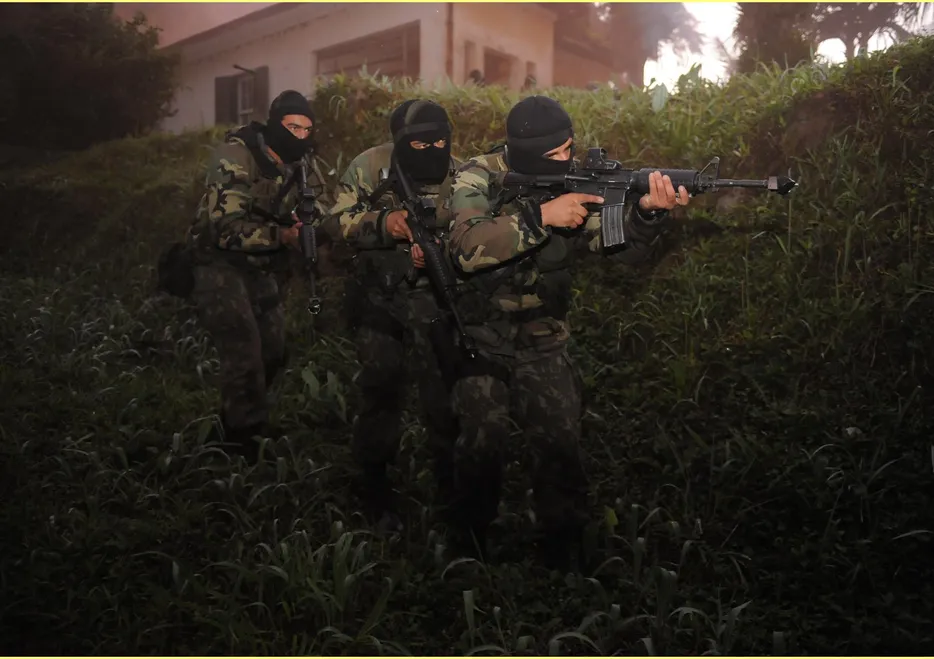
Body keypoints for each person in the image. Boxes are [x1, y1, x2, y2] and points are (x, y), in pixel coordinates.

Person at [446, 95, 691, 569]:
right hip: (482, 337)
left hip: (543, 336)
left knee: (559, 442)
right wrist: (541, 217)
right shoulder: (476, 176)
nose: (567, 159)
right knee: (482, 442)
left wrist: (645, 215)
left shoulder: (576, 176)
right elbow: (466, 246)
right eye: (556, 154)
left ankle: (563, 549)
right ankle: (469, 548)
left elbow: (616, 248)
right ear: (527, 152)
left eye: (570, 148)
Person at [325, 99, 461, 529]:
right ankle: (374, 487)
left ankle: (450, 493)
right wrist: (386, 224)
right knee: (382, 391)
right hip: (379, 301)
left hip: (438, 302)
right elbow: (335, 223)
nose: (434, 149)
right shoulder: (370, 167)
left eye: (441, 140)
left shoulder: (461, 172)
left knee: (444, 398)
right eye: (421, 143)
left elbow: (479, 228)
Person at [185, 90, 332, 462]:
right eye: (291, 126)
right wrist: (283, 235)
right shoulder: (236, 154)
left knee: (274, 348)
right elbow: (225, 228)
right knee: (243, 348)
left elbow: (323, 204)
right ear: (274, 124)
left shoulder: (304, 163)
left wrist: (311, 224)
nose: (300, 135)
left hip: (262, 263)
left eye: (306, 128)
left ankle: (238, 416)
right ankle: (239, 446)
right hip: (217, 261)